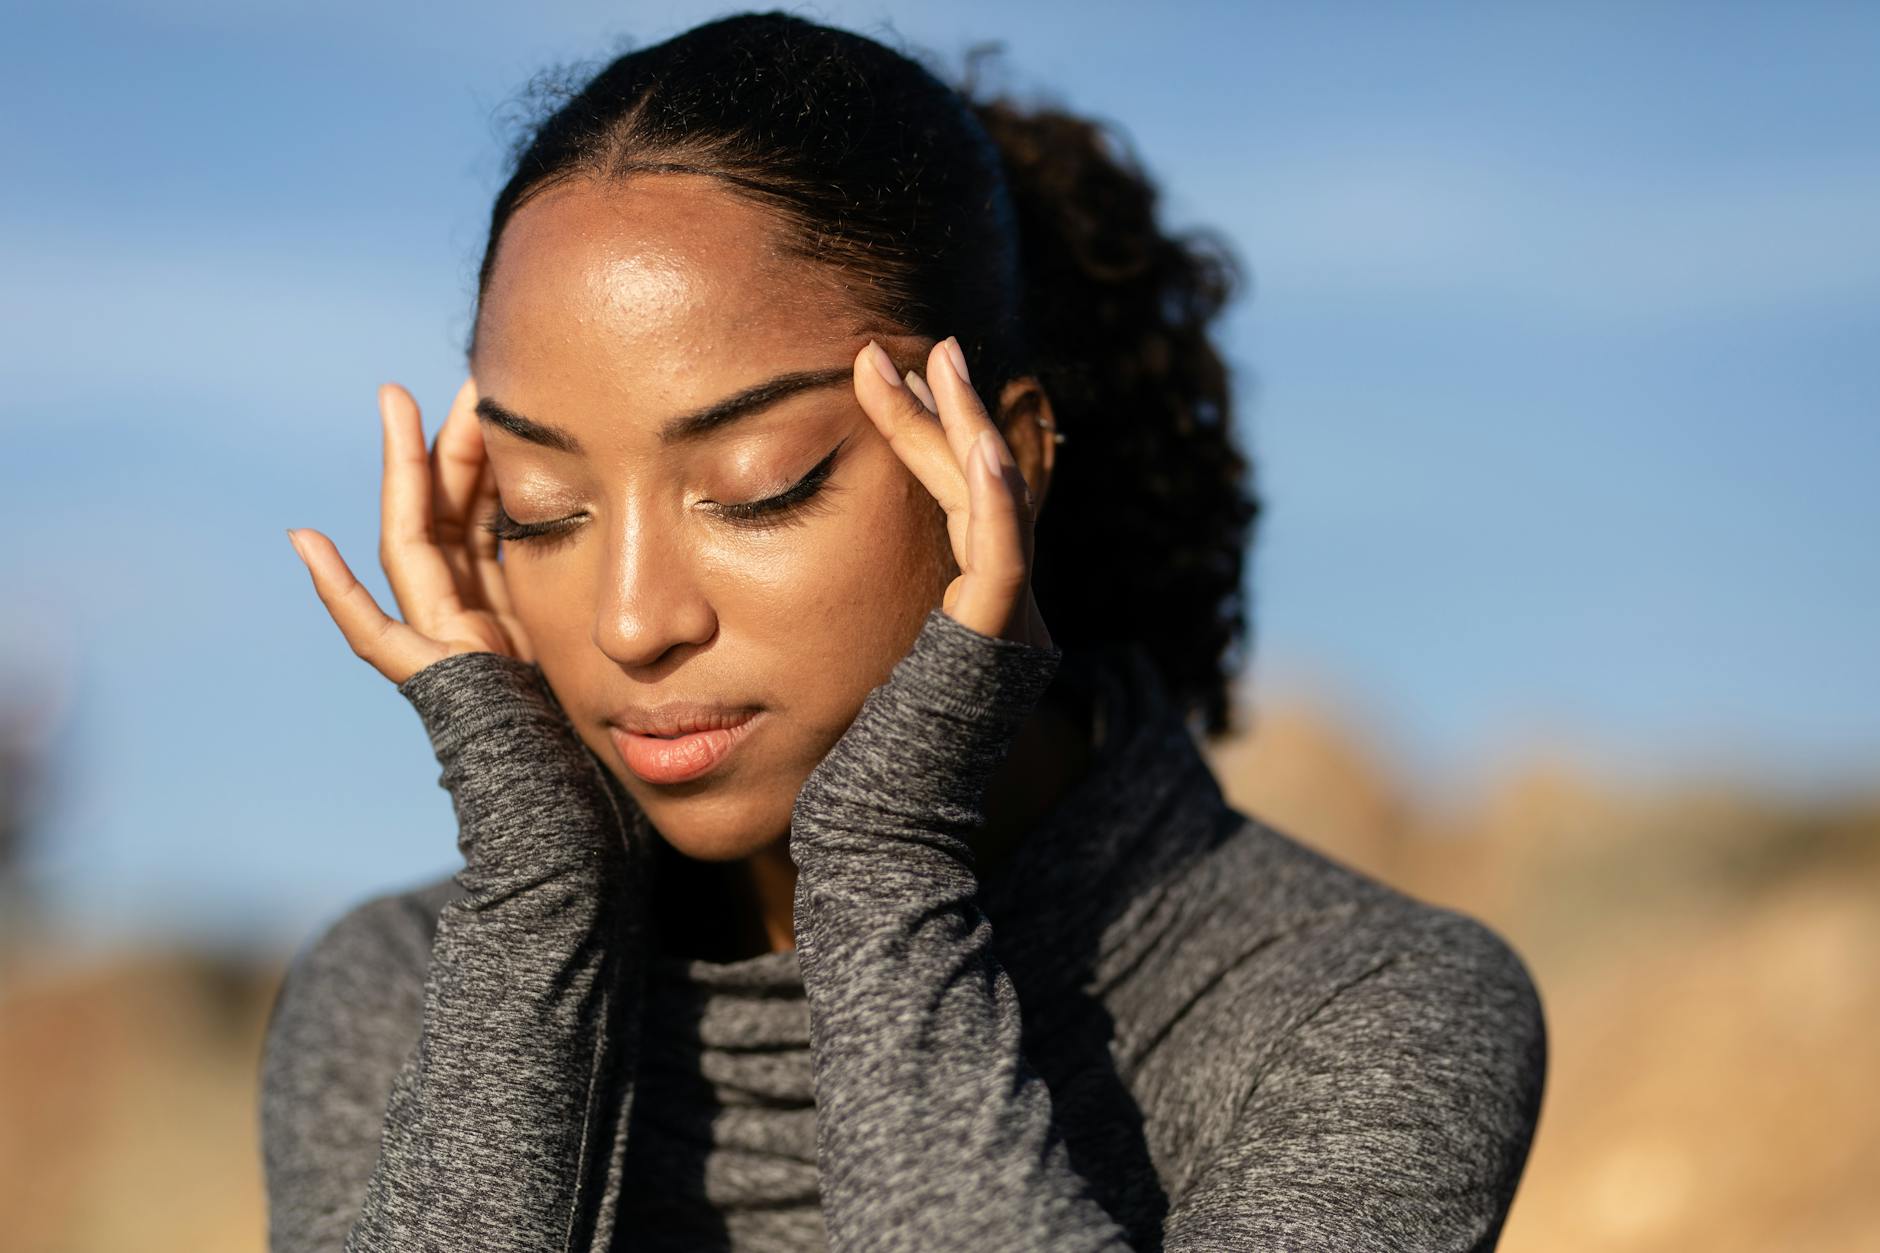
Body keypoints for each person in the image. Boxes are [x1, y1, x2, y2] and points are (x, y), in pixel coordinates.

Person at [264, 11, 1547, 1251]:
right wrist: (538, 909)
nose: (633, 619)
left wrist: (878, 865)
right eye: (544, 511)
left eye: (759, 485)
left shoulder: (1356, 1005)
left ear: (1008, 464)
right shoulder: (405, 988)